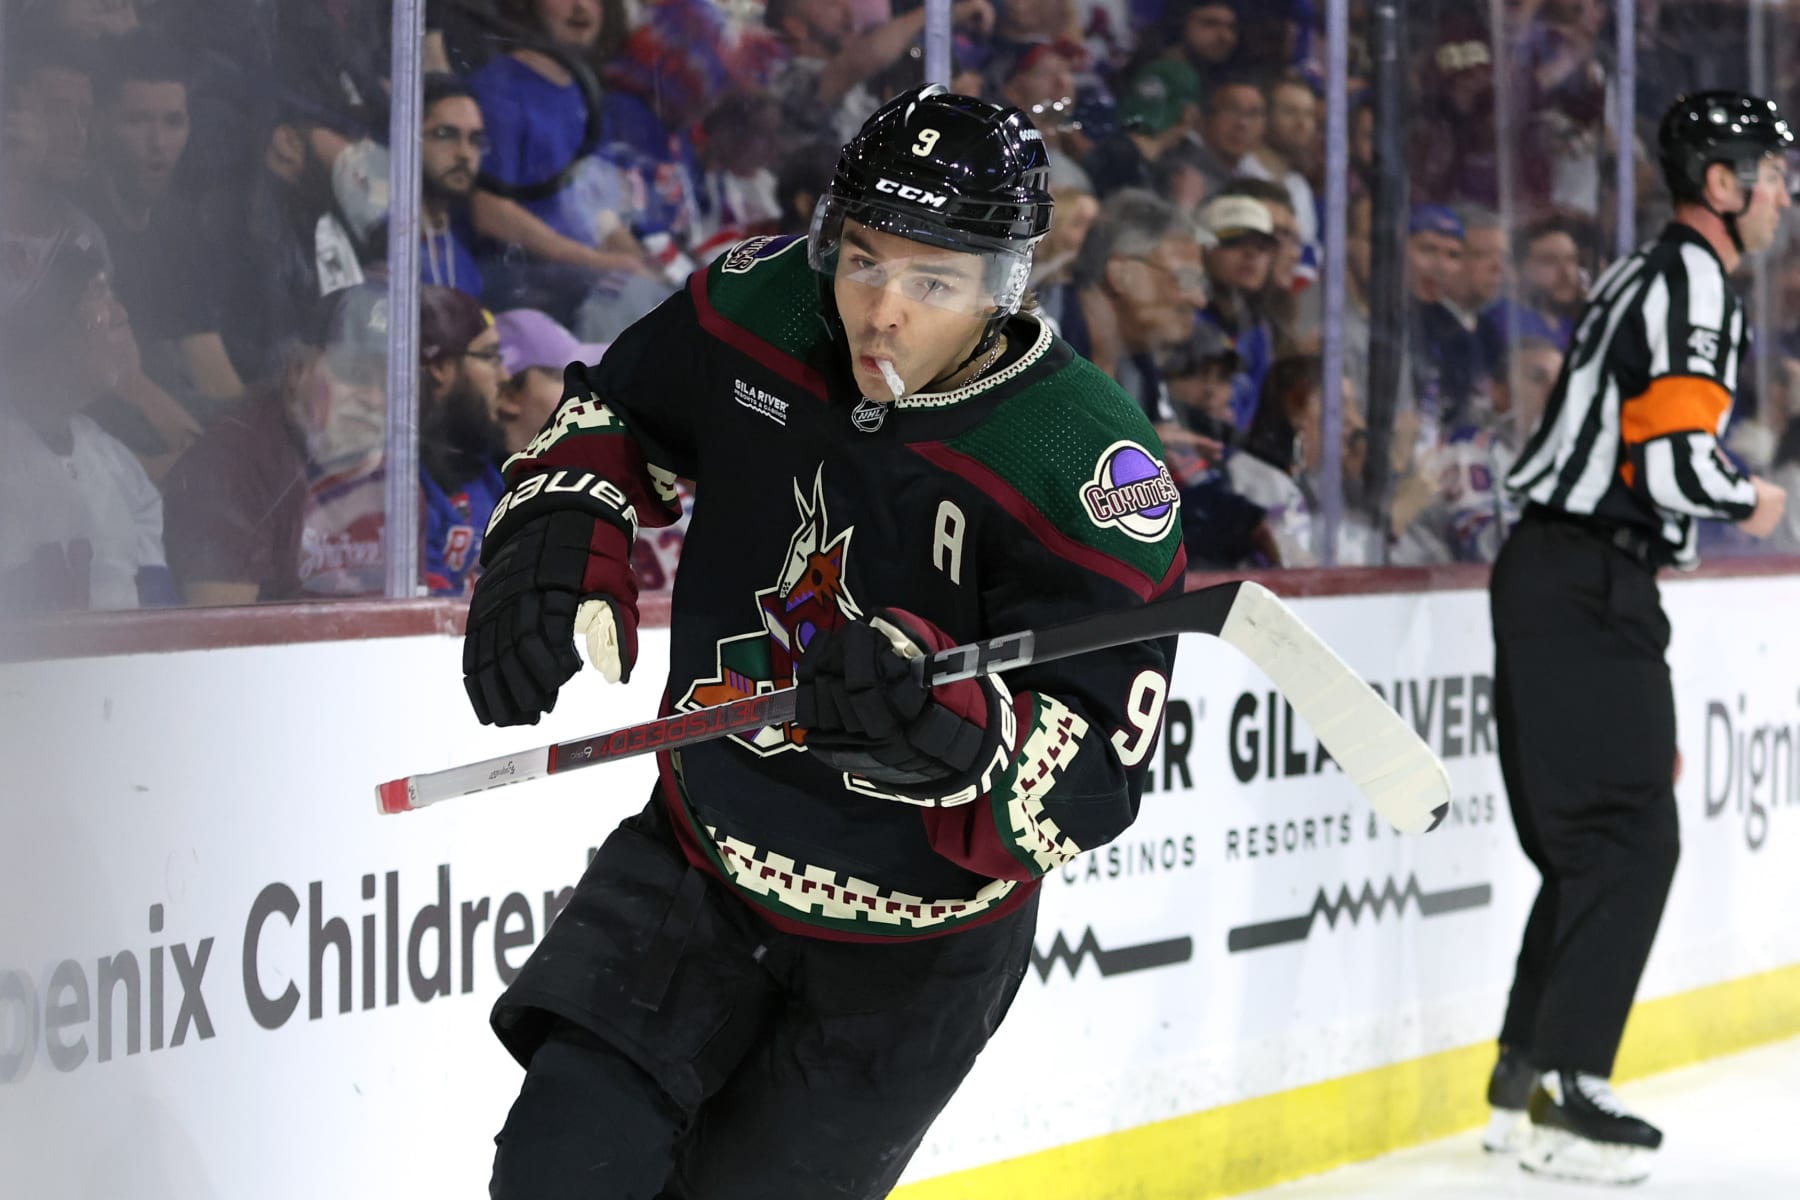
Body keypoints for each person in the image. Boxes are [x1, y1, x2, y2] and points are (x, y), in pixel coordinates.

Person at [464, 84, 1185, 1199]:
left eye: (932, 281)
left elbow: (1096, 773)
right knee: (558, 1169)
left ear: (1006, 287)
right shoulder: (760, 303)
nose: (880, 309)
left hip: (909, 961)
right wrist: (563, 513)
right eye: (861, 259)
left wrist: (949, 735)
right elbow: (616, 417)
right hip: (698, 862)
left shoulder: (1087, 464)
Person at [1484, 91, 1793, 1185]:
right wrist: (1754, 495)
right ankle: (1570, 1098)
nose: (1783, 193)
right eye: (1771, 172)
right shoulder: (1697, 281)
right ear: (1722, 184)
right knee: (1627, 839)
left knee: (1588, 846)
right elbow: (1670, 463)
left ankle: (1522, 1088)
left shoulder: (1644, 267)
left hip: (1557, 573)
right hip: (1587, 579)